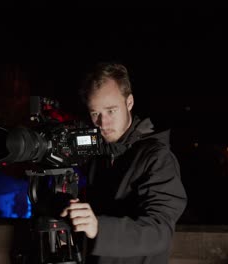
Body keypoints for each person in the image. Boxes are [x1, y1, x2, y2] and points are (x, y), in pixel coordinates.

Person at [60, 62, 187, 264]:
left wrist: (99, 228)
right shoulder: (99, 155)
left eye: (111, 111)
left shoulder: (157, 157)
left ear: (129, 103)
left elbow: (160, 231)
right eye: (95, 113)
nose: (103, 123)